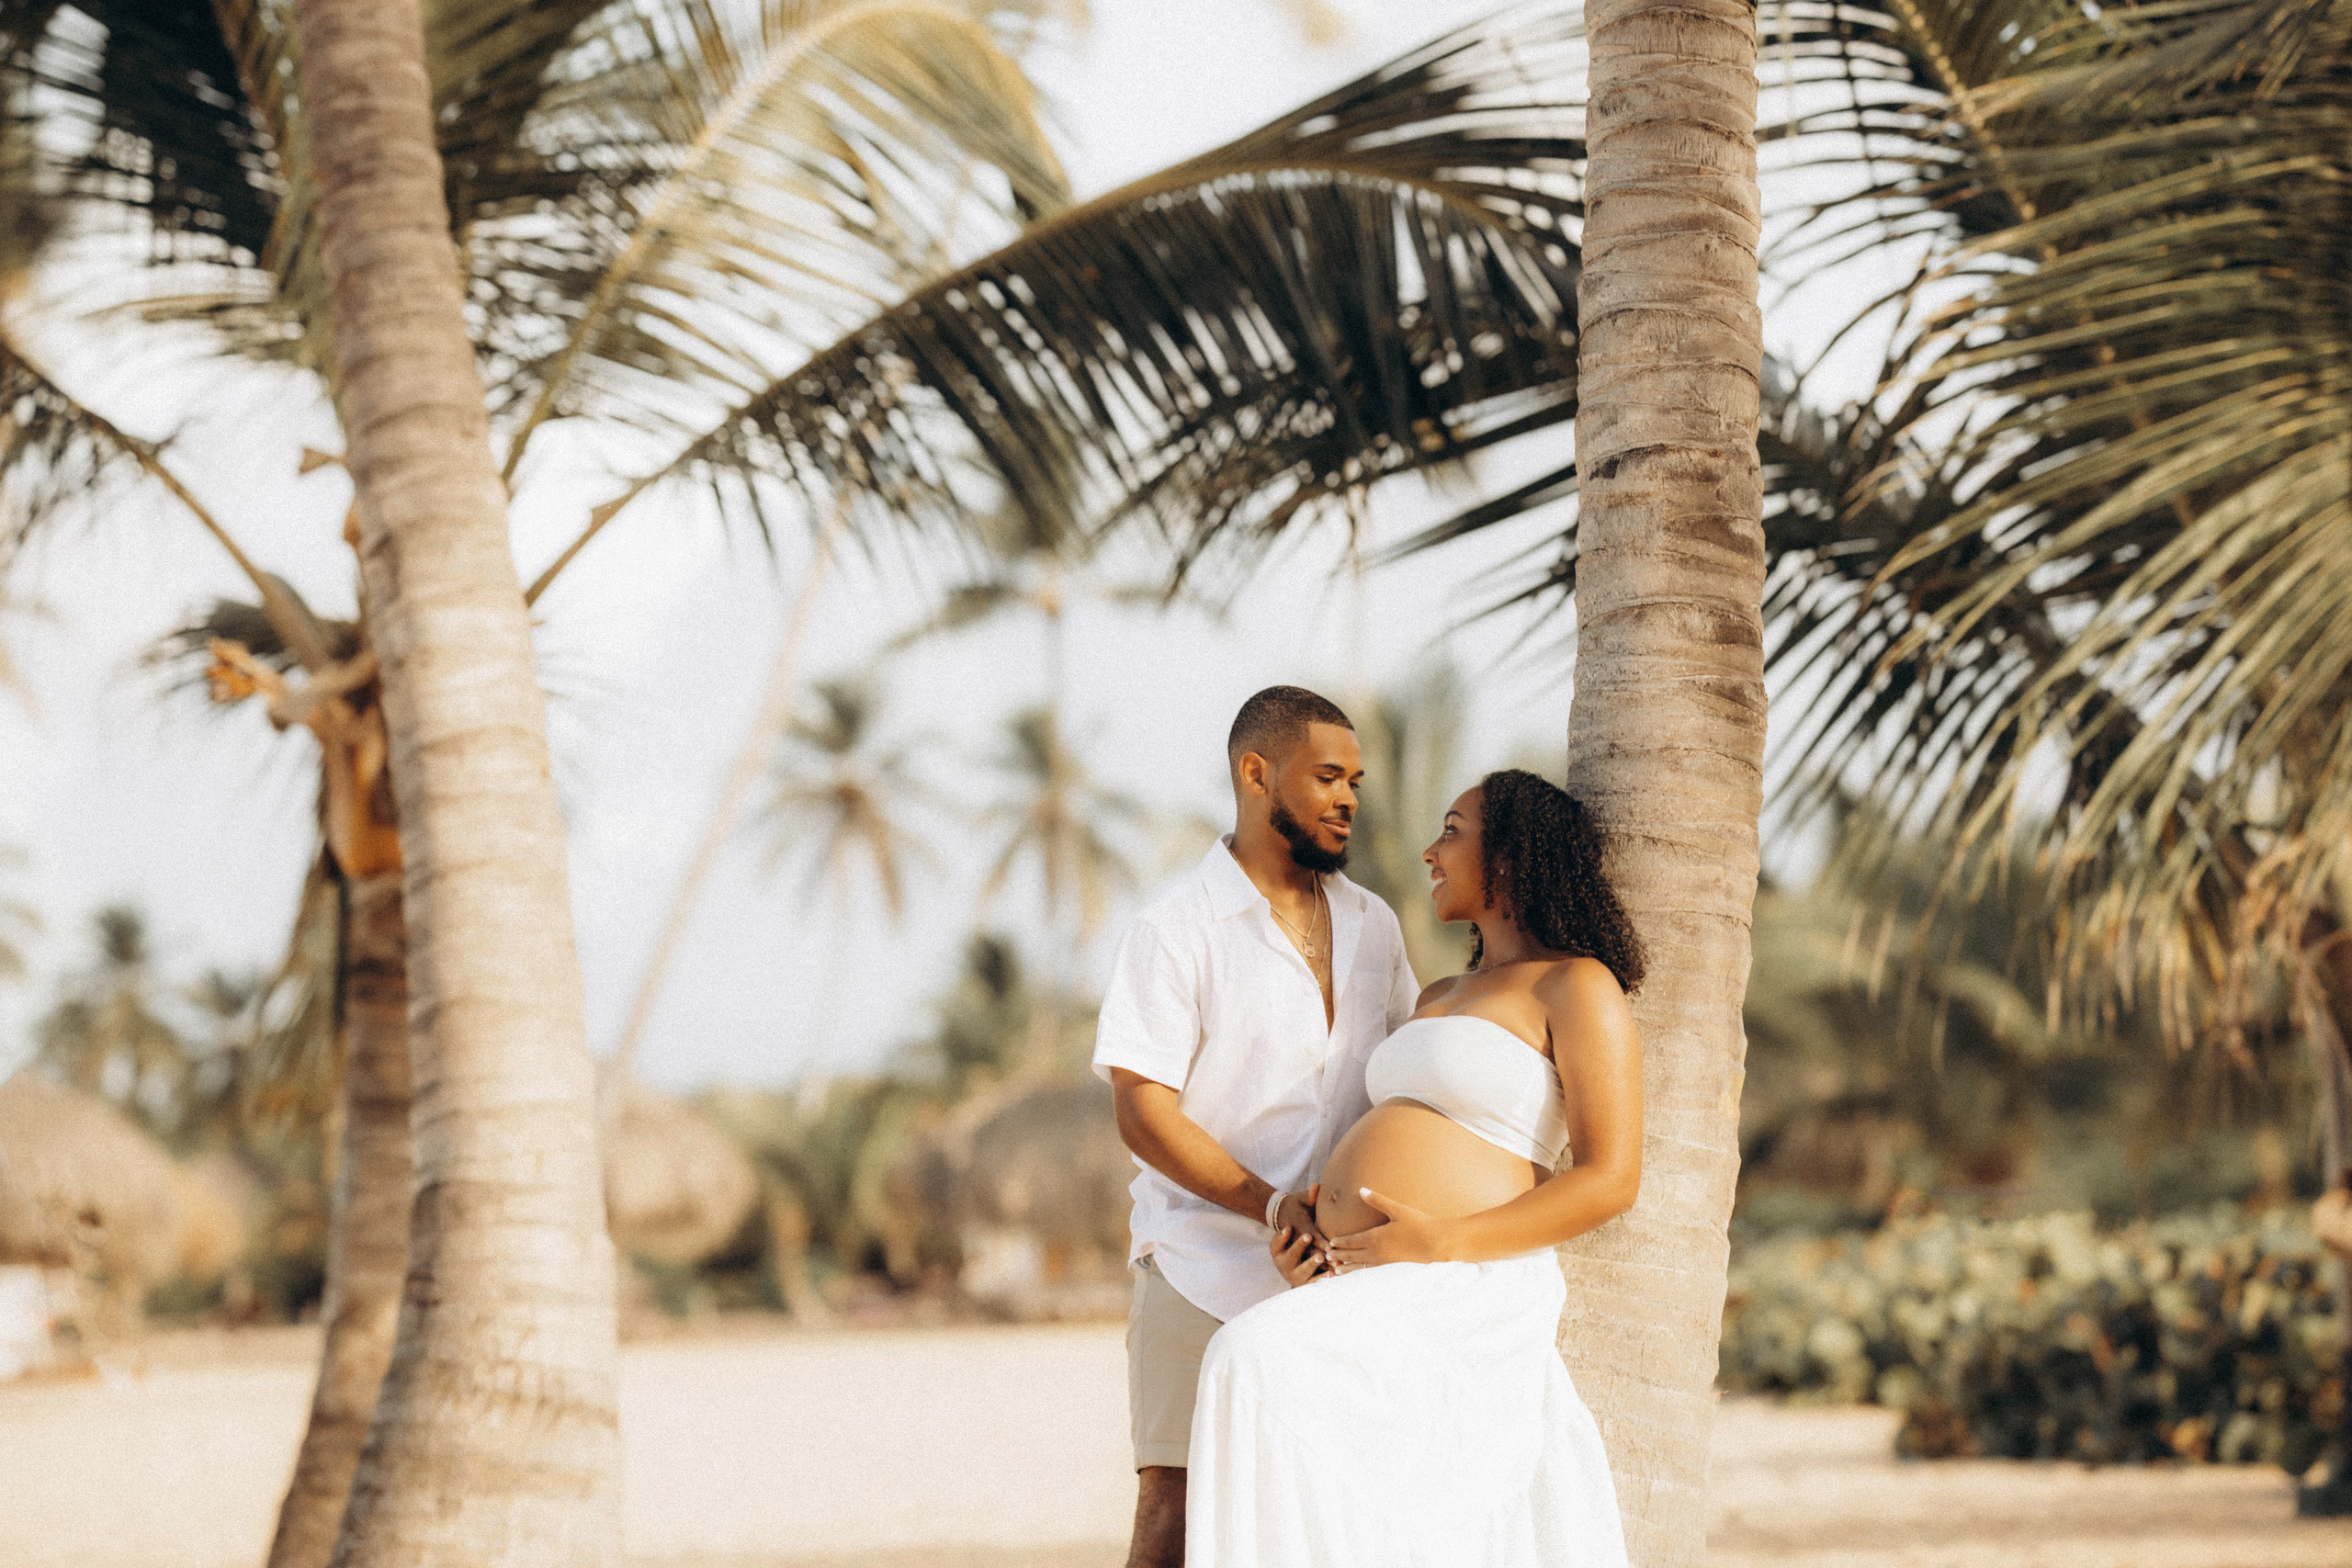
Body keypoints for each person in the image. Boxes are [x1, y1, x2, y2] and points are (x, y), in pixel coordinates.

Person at [1185, 769, 1644, 1568]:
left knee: (1246, 1359)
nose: (1431, 850)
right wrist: (1325, 1245)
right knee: (1268, 1387)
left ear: (1511, 854)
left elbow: (1611, 1177)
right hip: (1373, 1276)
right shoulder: (1437, 993)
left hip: (1470, 1277)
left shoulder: (1576, 984)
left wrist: (1441, 1241)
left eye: (1453, 830)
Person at [1093, 685, 1420, 1568]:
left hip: (1340, 1275)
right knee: (1174, 1511)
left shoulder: (1375, 925)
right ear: (1255, 773)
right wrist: (1271, 1204)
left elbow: (1400, 1078)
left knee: (1322, 1516)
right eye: (1327, 776)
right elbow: (1142, 1108)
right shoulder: (1173, 931)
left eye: (1355, 778)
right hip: (1202, 1266)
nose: (1349, 796)